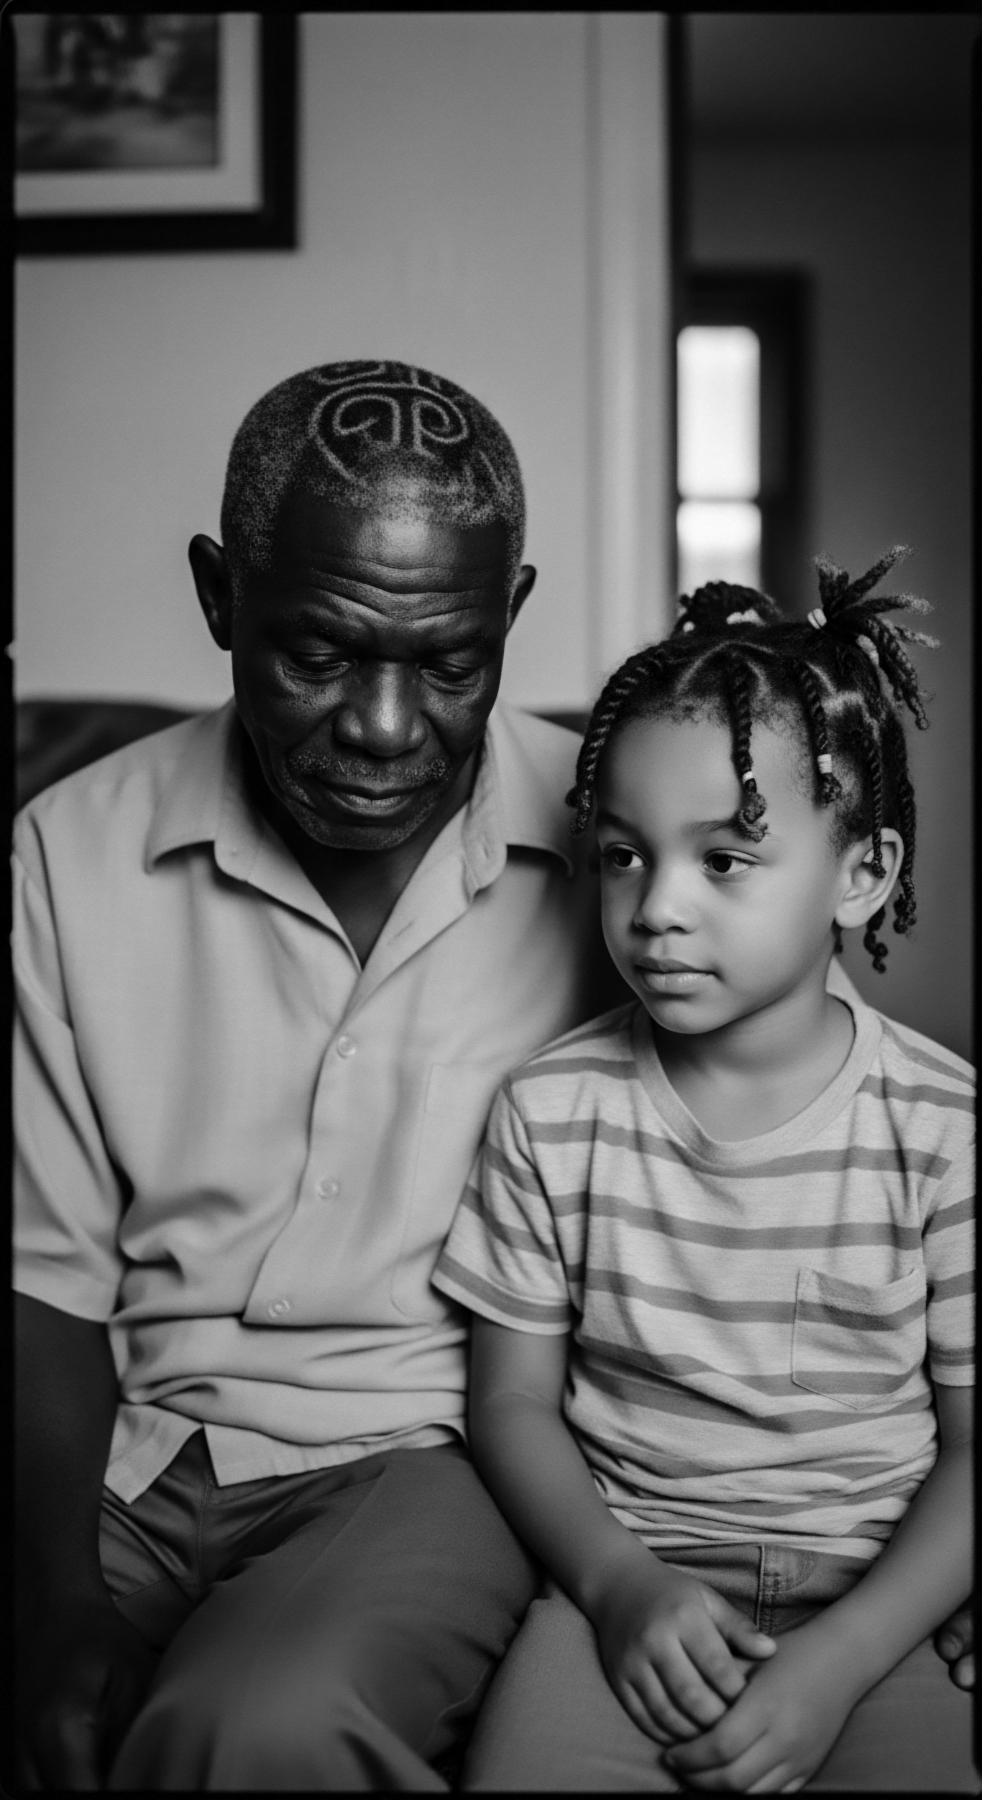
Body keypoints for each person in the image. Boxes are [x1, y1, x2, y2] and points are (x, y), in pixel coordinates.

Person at [14, 359, 621, 1791]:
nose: (386, 728)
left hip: (423, 1457)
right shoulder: (66, 850)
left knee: (255, 1730)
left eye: (451, 662)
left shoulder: (626, 852)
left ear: (513, 617)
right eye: (319, 653)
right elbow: (43, 1274)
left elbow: (825, 1149)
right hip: (127, 1442)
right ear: (221, 598)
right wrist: (47, 1602)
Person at [433, 553, 976, 1792]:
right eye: (622, 855)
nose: (656, 908)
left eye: (723, 860)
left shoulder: (945, 1131)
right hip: (630, 1590)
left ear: (863, 873)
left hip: (878, 1605)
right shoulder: (551, 1111)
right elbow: (509, 1403)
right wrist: (617, 1588)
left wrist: (841, 1660)